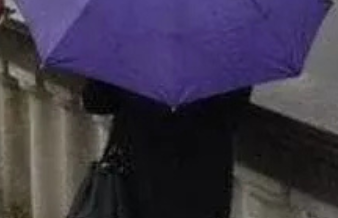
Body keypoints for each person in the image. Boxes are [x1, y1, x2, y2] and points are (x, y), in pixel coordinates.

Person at [82, 80, 252, 218]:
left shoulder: (134, 44)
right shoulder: (223, 48)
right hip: (205, 181)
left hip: (136, 177)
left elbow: (95, 100)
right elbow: (235, 110)